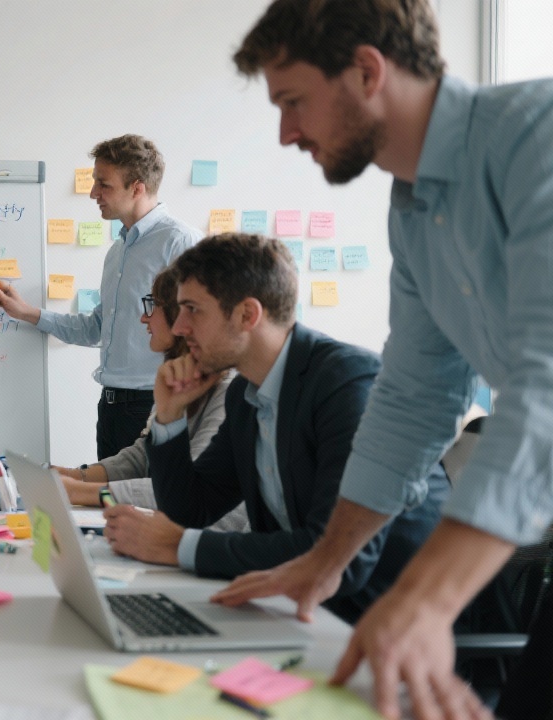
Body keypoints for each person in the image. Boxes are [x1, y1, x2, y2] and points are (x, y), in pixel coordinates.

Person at [215, 2, 553, 717]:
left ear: (368, 70)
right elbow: (413, 401)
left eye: (293, 102)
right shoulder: (413, 209)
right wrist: (324, 561)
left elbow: (544, 392)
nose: (285, 134)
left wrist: (426, 601)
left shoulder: (536, 134)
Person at [101, 233, 448, 625]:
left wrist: (180, 546)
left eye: (192, 310)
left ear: (248, 315)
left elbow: (335, 558)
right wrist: (169, 416)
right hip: (300, 610)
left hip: (386, 623)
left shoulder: (346, 386)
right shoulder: (248, 395)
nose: (179, 327)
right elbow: (192, 509)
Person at [0, 135, 201, 458]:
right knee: (110, 506)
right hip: (112, 406)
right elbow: (96, 328)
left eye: (104, 184)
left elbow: (205, 329)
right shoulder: (118, 251)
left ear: (137, 188)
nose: (93, 194)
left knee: (150, 504)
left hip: (157, 403)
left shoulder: (179, 242)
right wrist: (26, 313)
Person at [55, 266, 247, 533]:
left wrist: (80, 492)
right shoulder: (179, 379)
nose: (144, 318)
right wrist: (73, 476)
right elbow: (142, 457)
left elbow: (191, 490)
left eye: (153, 305)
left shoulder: (229, 391)